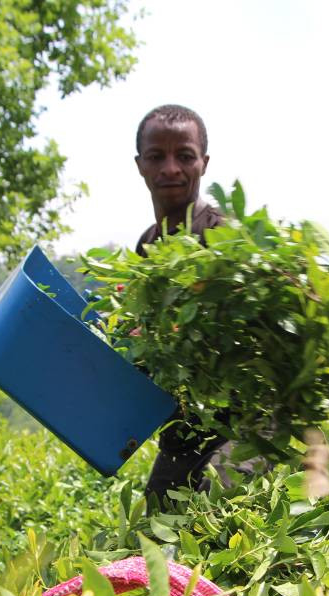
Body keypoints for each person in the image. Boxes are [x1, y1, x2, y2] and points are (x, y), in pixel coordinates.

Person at [133, 104, 233, 499]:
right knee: (154, 530)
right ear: (140, 165)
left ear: (203, 163)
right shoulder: (147, 246)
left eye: (185, 156)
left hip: (243, 428)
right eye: (157, 156)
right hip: (185, 431)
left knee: (219, 515)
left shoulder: (226, 237)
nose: (171, 168)